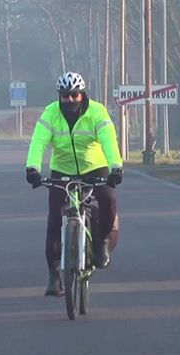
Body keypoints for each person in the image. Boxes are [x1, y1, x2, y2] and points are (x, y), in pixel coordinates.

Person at [25, 72, 123, 297]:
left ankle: (102, 242)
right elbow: (38, 142)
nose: (70, 100)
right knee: (54, 219)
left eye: (74, 95)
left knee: (108, 200)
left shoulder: (97, 112)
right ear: (59, 96)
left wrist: (116, 167)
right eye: (65, 96)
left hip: (95, 167)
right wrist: (32, 168)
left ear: (82, 94)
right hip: (63, 169)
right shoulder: (50, 113)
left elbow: (109, 140)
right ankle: (54, 276)